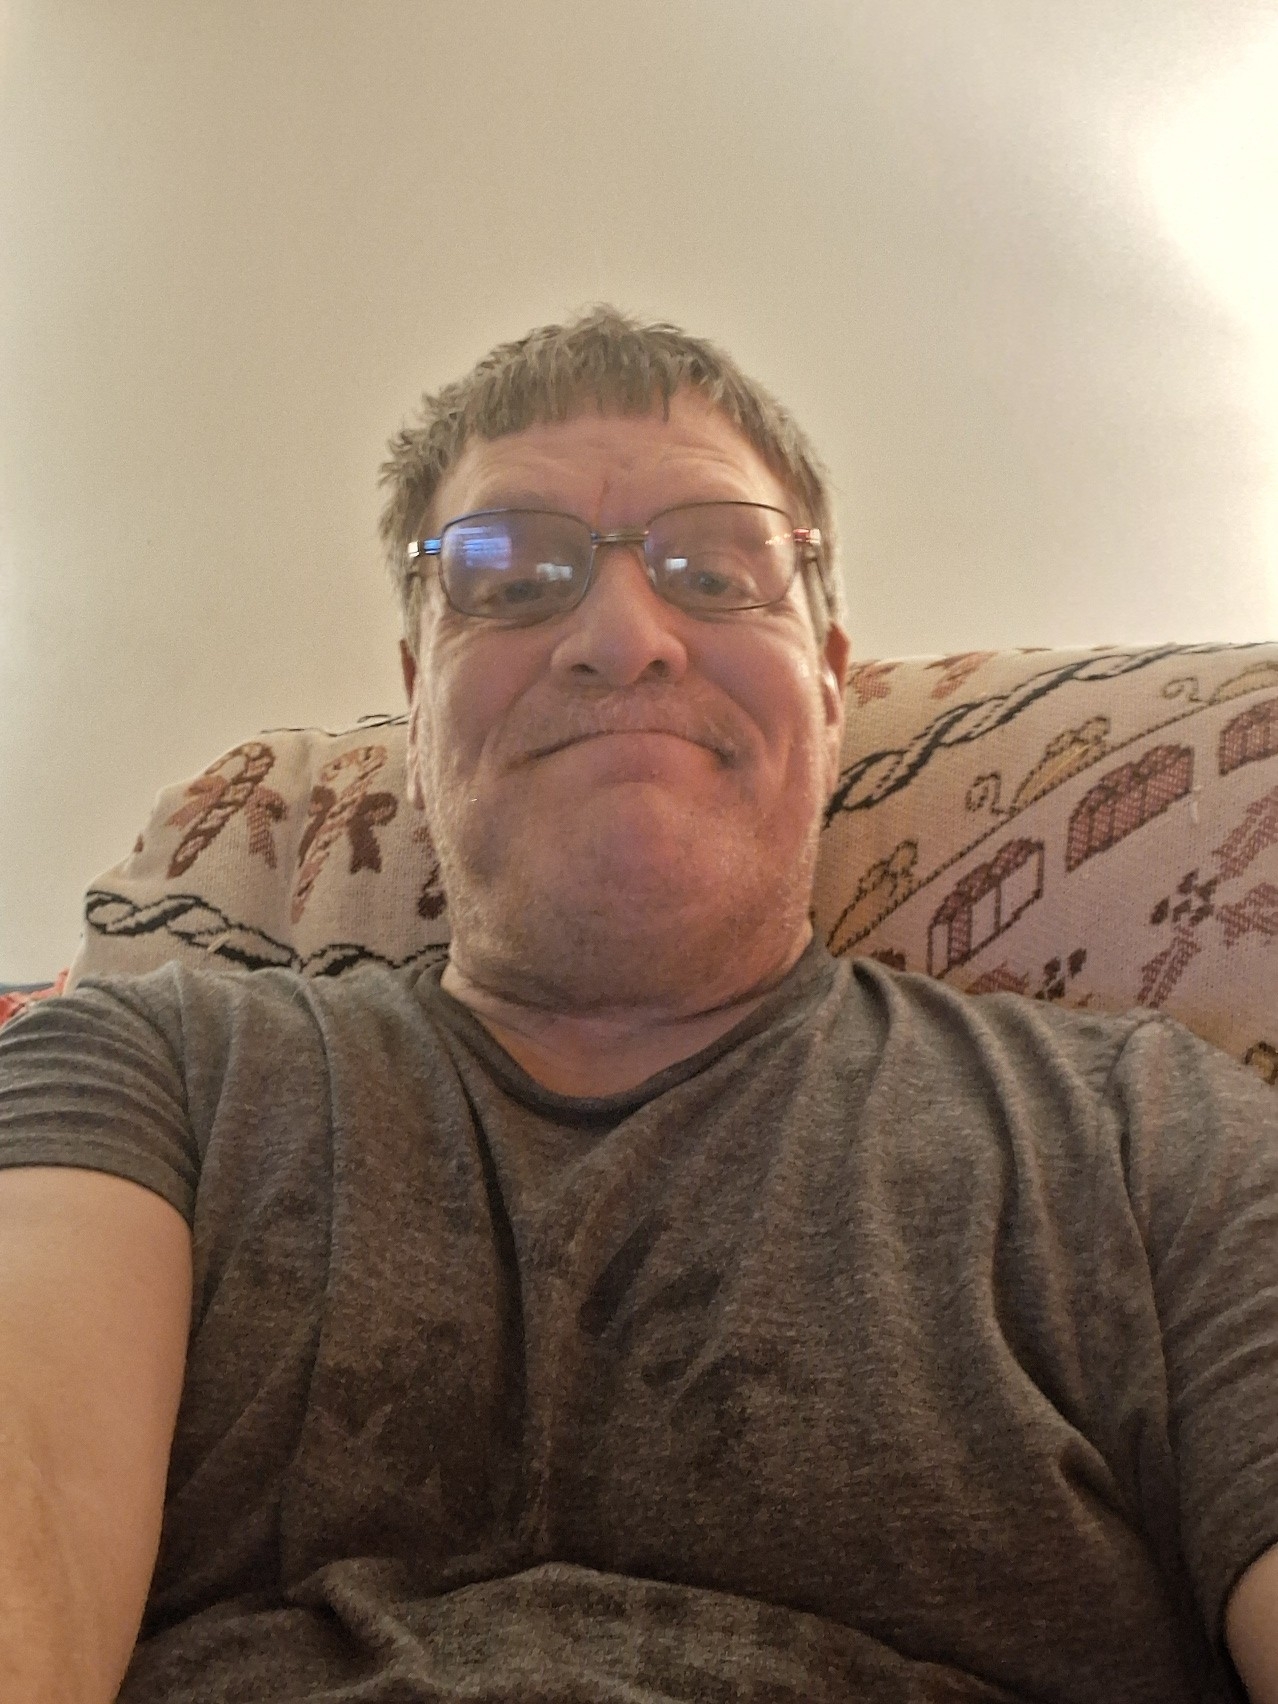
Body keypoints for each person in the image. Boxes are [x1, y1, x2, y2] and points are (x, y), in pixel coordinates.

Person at [0, 307, 1275, 1704]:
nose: (619, 637)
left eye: (716, 572)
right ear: (417, 709)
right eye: (509, 578)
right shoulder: (150, 1070)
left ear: (829, 688)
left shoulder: (1150, 1137)